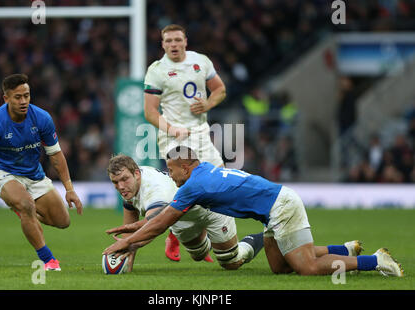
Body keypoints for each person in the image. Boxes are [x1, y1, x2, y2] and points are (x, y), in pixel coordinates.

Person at [103, 146, 404, 277]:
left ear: (186, 166)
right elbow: (157, 220)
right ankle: (345, 248)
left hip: (281, 205)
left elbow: (159, 223)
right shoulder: (204, 170)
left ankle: (374, 261)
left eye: (173, 170)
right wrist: (129, 231)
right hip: (271, 211)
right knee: (280, 267)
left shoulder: (193, 185)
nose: (171, 176)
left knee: (307, 267)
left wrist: (125, 242)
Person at [0, 74, 83, 271]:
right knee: (26, 204)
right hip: (2, 173)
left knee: (63, 221)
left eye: (27, 96)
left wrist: (69, 189)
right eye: (18, 97)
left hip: (34, 174)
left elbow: (56, 155)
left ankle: (25, 213)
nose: (23, 101)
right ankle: (49, 260)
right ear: (6, 98)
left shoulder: (42, 118)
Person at [143, 24, 227, 261]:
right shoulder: (157, 70)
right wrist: (171, 128)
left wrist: (208, 104)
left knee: (217, 184)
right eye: (168, 41)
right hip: (172, 135)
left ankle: (195, 236)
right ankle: (175, 235)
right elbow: (150, 112)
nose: (173, 45)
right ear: (162, 44)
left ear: (185, 41)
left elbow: (220, 89)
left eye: (177, 40)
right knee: (188, 186)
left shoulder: (201, 61)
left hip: (200, 133)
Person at [104, 154, 264, 272]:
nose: (120, 186)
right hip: (179, 217)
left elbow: (153, 226)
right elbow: (130, 225)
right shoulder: (132, 181)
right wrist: (127, 258)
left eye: (124, 179)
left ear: (137, 174)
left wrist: (130, 244)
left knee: (231, 262)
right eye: (115, 182)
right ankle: (208, 238)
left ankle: (264, 236)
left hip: (209, 209)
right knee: (198, 255)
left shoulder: (155, 191)